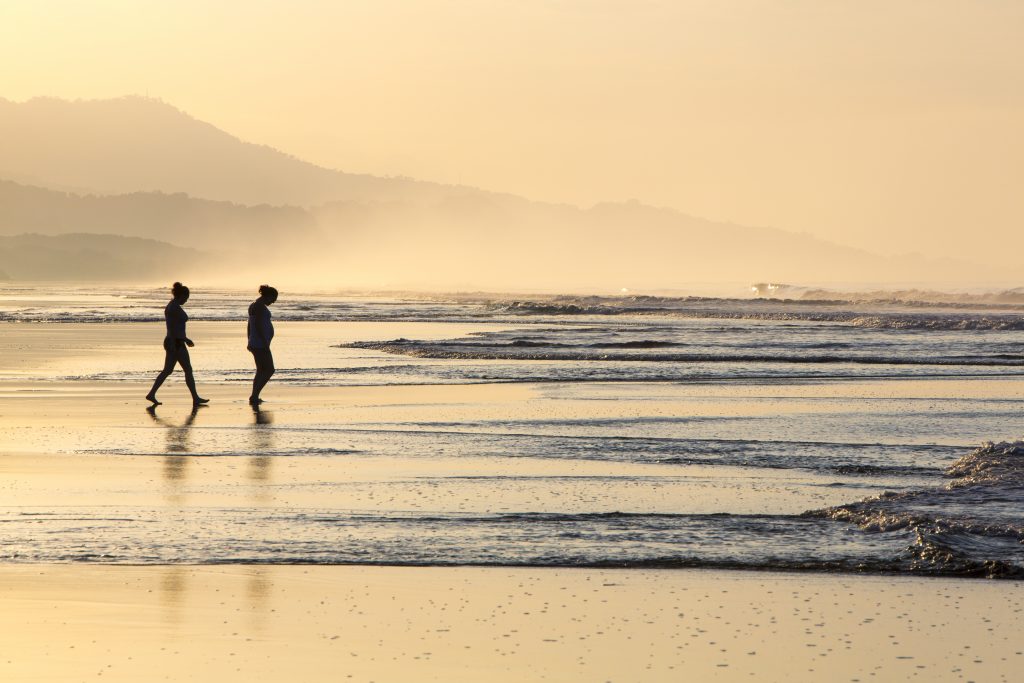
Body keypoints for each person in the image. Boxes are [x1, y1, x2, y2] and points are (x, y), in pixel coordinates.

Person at [145, 282, 209, 406]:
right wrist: (177, 342)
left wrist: (185, 339)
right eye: (186, 298)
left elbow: (175, 327)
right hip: (175, 342)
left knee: (168, 370)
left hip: (175, 341)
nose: (186, 301)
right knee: (187, 370)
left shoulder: (172, 306)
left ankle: (152, 394)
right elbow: (172, 328)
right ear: (182, 295)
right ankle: (195, 398)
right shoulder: (173, 307)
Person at [247, 284, 278, 404]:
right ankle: (254, 395)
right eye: (273, 299)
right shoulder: (259, 307)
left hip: (256, 342)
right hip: (260, 343)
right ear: (268, 296)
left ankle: (254, 396)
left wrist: (249, 339)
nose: (274, 302)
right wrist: (265, 342)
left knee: (261, 369)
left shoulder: (254, 305)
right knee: (269, 369)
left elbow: (250, 325)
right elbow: (258, 325)